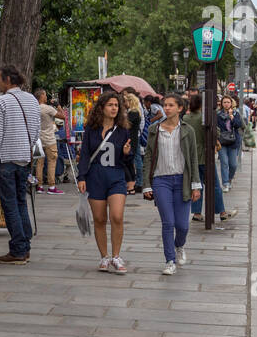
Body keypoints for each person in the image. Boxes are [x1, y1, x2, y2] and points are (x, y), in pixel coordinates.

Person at [142, 94, 202, 275]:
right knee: (168, 222)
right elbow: (148, 158)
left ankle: (179, 245)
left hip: (182, 180)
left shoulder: (187, 130)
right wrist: (146, 184)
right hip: (161, 181)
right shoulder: (154, 129)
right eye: (165, 105)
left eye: (171, 105)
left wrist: (196, 185)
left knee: (182, 225)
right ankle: (169, 261)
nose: (166, 108)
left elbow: (193, 158)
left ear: (180, 108)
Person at [77, 91, 136, 273]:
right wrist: (82, 177)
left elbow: (128, 159)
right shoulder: (91, 129)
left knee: (117, 216)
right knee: (100, 219)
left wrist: (127, 153)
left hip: (116, 176)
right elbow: (85, 154)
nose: (114, 108)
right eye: (110, 105)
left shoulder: (123, 130)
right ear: (102, 108)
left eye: (116, 105)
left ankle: (116, 256)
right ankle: (104, 257)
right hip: (95, 177)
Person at [0, 65, 41, 264]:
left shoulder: (2, 102)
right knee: (20, 202)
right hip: (25, 159)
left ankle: (18, 249)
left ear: (8, 80)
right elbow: (36, 132)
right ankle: (24, 246)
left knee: (10, 205)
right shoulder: (33, 100)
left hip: (6, 160)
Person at [185, 93, 236, 223]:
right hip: (205, 155)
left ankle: (196, 213)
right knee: (214, 185)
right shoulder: (204, 118)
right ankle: (222, 212)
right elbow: (216, 132)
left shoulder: (185, 118)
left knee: (196, 184)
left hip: (191, 155)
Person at [34, 89, 62, 195]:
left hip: (37, 140)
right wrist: (57, 105)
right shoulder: (48, 108)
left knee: (39, 164)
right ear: (41, 95)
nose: (46, 97)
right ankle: (51, 187)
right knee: (52, 162)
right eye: (45, 95)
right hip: (49, 139)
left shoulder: (34, 108)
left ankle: (39, 186)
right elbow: (62, 116)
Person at [216, 95, 243, 191]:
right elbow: (216, 127)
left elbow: (239, 125)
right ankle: (225, 183)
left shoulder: (236, 114)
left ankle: (229, 178)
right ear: (222, 104)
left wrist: (232, 117)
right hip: (222, 141)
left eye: (228, 102)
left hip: (233, 141)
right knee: (224, 163)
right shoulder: (218, 114)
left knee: (233, 165)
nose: (226, 104)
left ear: (231, 103)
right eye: (224, 102)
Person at [122, 89, 144, 193]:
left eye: (125, 101)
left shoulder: (133, 113)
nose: (124, 103)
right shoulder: (132, 112)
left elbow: (127, 125)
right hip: (133, 138)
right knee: (133, 161)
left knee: (133, 161)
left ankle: (135, 183)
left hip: (132, 139)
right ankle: (134, 183)